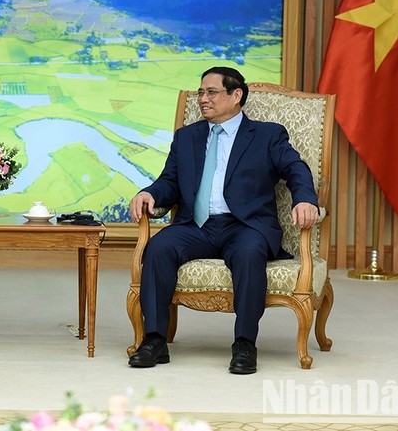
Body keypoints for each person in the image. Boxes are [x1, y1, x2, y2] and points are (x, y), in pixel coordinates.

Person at [128, 67, 319, 374]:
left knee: (248, 252)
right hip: (196, 226)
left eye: (212, 92)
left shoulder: (267, 135)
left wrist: (305, 199)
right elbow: (170, 182)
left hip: (245, 226)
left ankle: (244, 344)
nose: (203, 99)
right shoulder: (187, 137)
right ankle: (154, 341)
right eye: (201, 92)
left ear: (236, 96)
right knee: (158, 247)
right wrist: (149, 193)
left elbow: (296, 169)